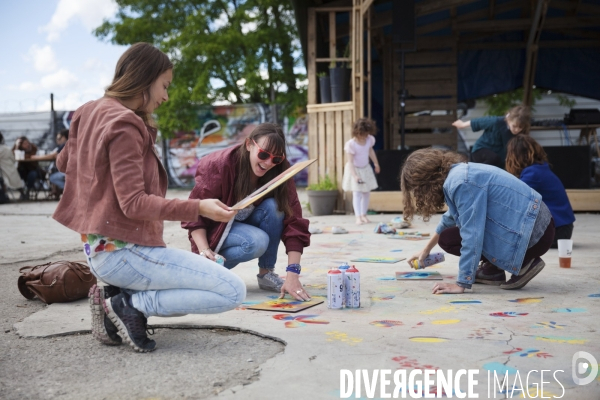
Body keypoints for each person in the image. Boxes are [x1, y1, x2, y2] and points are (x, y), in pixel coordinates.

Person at [52, 43, 245, 353]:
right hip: (124, 253)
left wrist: (88, 143)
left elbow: (64, 164)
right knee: (232, 290)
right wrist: (198, 207)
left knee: (205, 281)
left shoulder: (89, 111)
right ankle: (130, 306)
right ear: (145, 77)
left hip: (99, 252)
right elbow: (134, 203)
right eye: (164, 85)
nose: (166, 96)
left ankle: (115, 302)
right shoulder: (125, 123)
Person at [182, 123, 311, 301]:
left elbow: (294, 219)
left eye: (276, 159)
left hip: (245, 221)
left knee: (275, 207)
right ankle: (207, 272)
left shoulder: (280, 169)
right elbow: (194, 211)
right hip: (216, 230)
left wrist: (293, 275)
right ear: (249, 144)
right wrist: (203, 250)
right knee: (257, 241)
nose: (268, 163)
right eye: (264, 154)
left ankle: (266, 273)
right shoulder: (218, 164)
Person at [402, 148, 554, 294]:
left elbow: (472, 234)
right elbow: (450, 217)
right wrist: (426, 249)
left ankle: (525, 264)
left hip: (534, 235)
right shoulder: (458, 174)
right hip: (537, 226)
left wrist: (461, 283)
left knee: (464, 233)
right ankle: (493, 269)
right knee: (447, 237)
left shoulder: (461, 183)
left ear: (424, 183)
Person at [506, 134, 575, 248]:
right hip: (563, 229)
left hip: (557, 231)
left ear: (515, 156)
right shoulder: (539, 169)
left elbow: (512, 199)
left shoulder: (532, 174)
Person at [452, 105, 531, 169]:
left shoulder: (520, 134)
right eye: (514, 126)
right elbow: (480, 122)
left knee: (503, 164)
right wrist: (462, 125)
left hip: (498, 158)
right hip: (480, 151)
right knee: (494, 158)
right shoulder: (497, 122)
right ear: (509, 120)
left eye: (520, 127)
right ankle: (479, 173)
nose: (517, 130)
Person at [341, 118, 380, 225]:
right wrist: (354, 176)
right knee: (357, 193)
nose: (364, 137)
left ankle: (364, 214)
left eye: (366, 134)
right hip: (355, 169)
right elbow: (350, 162)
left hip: (365, 168)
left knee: (366, 192)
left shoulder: (369, 140)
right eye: (362, 134)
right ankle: (358, 216)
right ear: (357, 133)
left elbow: (370, 151)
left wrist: (376, 163)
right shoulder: (351, 144)